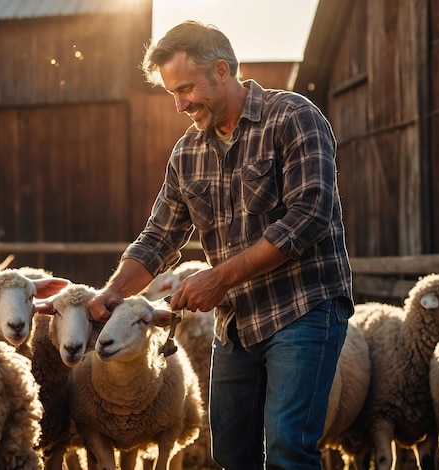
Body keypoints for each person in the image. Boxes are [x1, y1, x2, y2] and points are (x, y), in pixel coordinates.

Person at [88, 20, 353, 470]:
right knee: (230, 454)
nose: (179, 104)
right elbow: (159, 237)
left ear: (222, 70)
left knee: (288, 448)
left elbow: (309, 215)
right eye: (172, 92)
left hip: (303, 309)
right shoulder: (187, 153)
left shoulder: (293, 116)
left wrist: (218, 277)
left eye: (187, 88)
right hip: (235, 324)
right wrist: (114, 293)